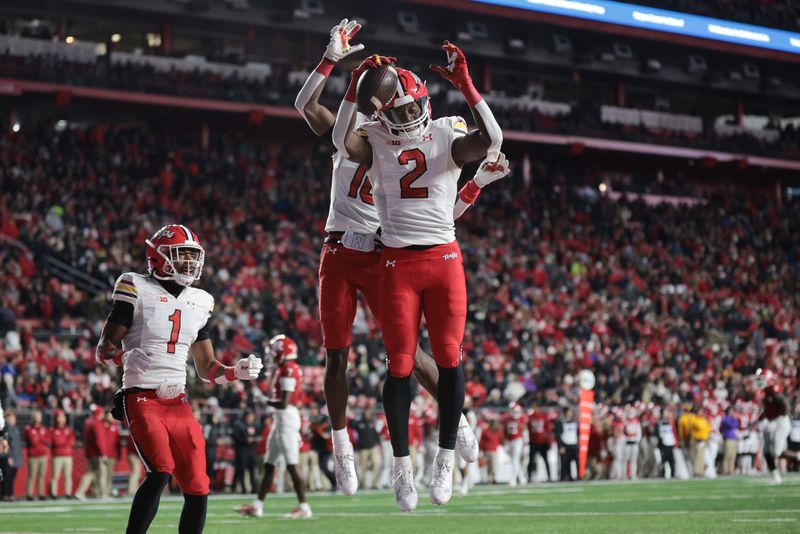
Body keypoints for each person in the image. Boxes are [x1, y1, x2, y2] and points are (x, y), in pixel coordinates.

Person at [294, 19, 480, 496]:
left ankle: (456, 419)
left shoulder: (397, 137)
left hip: (384, 250)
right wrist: (332, 61)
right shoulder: (353, 134)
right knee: (338, 354)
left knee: (409, 356)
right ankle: (342, 449)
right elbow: (307, 107)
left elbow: (437, 191)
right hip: (340, 246)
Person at [333, 40, 505, 510]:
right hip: (397, 264)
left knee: (449, 357)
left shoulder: (447, 135)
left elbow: (493, 141)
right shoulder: (376, 138)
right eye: (398, 110)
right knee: (401, 365)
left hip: (443, 261)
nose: (407, 118)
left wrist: (468, 85)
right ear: (383, 110)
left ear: (427, 104)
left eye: (413, 109)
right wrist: (352, 87)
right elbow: (338, 141)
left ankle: (444, 458)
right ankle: (401, 467)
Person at [94, 224, 263, 534]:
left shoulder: (200, 300)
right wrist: (122, 357)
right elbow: (103, 349)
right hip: (142, 397)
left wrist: (235, 373)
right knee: (160, 471)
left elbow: (207, 367)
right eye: (180, 254)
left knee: (198, 485)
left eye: (191, 255)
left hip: (178, 402)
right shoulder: (135, 286)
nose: (188, 262)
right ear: (156, 257)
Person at [236, 335, 311, 520]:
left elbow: (284, 403)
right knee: (269, 465)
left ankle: (304, 507)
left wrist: (263, 400)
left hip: (287, 419)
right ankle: (257, 505)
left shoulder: (288, 368)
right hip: (280, 420)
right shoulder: (284, 368)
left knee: (292, 465)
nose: (271, 355)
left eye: (274, 352)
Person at [757, 370, 790, 484]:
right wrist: (759, 420)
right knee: (766, 450)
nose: (759, 381)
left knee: (776, 452)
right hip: (772, 422)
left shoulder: (773, 390)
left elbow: (785, 405)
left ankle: (797, 456)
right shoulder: (765, 392)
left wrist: (777, 419)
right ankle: (776, 476)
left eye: (761, 379)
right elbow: (767, 410)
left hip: (780, 422)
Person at [75, 407, 109, 500]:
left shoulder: (88, 422)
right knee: (102, 473)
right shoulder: (97, 424)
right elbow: (99, 440)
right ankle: (103, 494)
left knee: (90, 472)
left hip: (90, 453)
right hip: (97, 454)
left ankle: (81, 492)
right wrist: (103, 454)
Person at [351, 408, 381, 489]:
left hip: (373, 447)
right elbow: (351, 424)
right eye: (366, 414)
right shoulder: (358, 424)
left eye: (369, 414)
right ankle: (363, 484)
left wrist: (378, 444)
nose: (368, 415)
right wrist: (352, 417)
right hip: (363, 449)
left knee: (376, 464)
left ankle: (375, 484)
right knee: (362, 467)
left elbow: (376, 434)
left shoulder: (371, 423)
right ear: (363, 415)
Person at [25, 409, 51, 500]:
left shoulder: (44, 428)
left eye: (38, 417)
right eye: (35, 417)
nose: (37, 419)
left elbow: (47, 440)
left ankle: (41, 494)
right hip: (33, 456)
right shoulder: (29, 428)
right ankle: (29, 494)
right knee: (32, 475)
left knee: (42, 476)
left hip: (42, 455)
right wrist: (41, 439)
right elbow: (32, 441)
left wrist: (39, 438)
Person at [232, 411, 259, 493]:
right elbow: (235, 437)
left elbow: (258, 435)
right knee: (242, 469)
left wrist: (255, 439)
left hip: (252, 450)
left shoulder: (255, 426)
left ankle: (254, 488)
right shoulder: (240, 426)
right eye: (249, 417)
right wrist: (245, 440)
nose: (251, 419)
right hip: (242, 450)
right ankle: (243, 488)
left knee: (253, 469)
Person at [50, 409, 75, 498]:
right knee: (55, 476)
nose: (61, 419)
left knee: (68, 476)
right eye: (60, 417)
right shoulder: (53, 430)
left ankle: (68, 493)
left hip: (67, 456)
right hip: (57, 456)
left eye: (62, 417)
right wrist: (64, 442)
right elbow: (55, 442)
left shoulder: (68, 429)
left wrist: (62, 442)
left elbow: (72, 441)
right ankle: (54, 493)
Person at [527, 404, 554, 483]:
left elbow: (548, 429)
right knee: (531, 461)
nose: (534, 409)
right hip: (533, 442)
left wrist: (549, 441)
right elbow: (528, 429)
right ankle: (529, 477)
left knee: (546, 460)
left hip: (543, 442)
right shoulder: (530, 417)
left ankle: (549, 476)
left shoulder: (544, 416)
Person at [502, 403, 527, 486]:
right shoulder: (507, 418)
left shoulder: (522, 418)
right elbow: (504, 430)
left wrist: (526, 442)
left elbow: (525, 430)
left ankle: (513, 479)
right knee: (514, 460)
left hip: (518, 440)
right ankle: (522, 478)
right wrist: (505, 441)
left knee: (515, 459)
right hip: (509, 440)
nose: (516, 413)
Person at [554, 407, 579, 481]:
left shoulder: (575, 422)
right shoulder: (560, 422)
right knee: (564, 463)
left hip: (574, 445)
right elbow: (558, 435)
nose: (570, 413)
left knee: (577, 462)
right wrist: (561, 446)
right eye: (569, 411)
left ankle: (578, 476)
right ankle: (565, 477)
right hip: (565, 445)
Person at [720, 406, 740, 476]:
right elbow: (730, 425)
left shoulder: (734, 419)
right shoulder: (725, 418)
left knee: (733, 455)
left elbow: (737, 425)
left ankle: (731, 469)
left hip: (734, 438)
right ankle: (725, 470)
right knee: (727, 455)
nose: (732, 413)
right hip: (728, 438)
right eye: (731, 411)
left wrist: (733, 419)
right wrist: (732, 419)